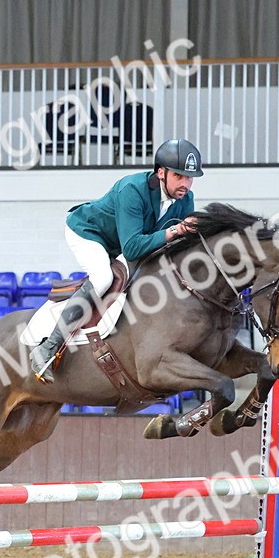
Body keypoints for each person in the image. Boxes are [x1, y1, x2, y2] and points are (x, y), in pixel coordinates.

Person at [30, 138, 205, 383]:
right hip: (89, 233)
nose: (185, 183)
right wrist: (176, 231)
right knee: (103, 278)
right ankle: (48, 347)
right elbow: (133, 248)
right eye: (179, 176)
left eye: (190, 177)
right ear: (161, 172)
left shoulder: (185, 199)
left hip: (120, 241)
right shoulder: (132, 190)